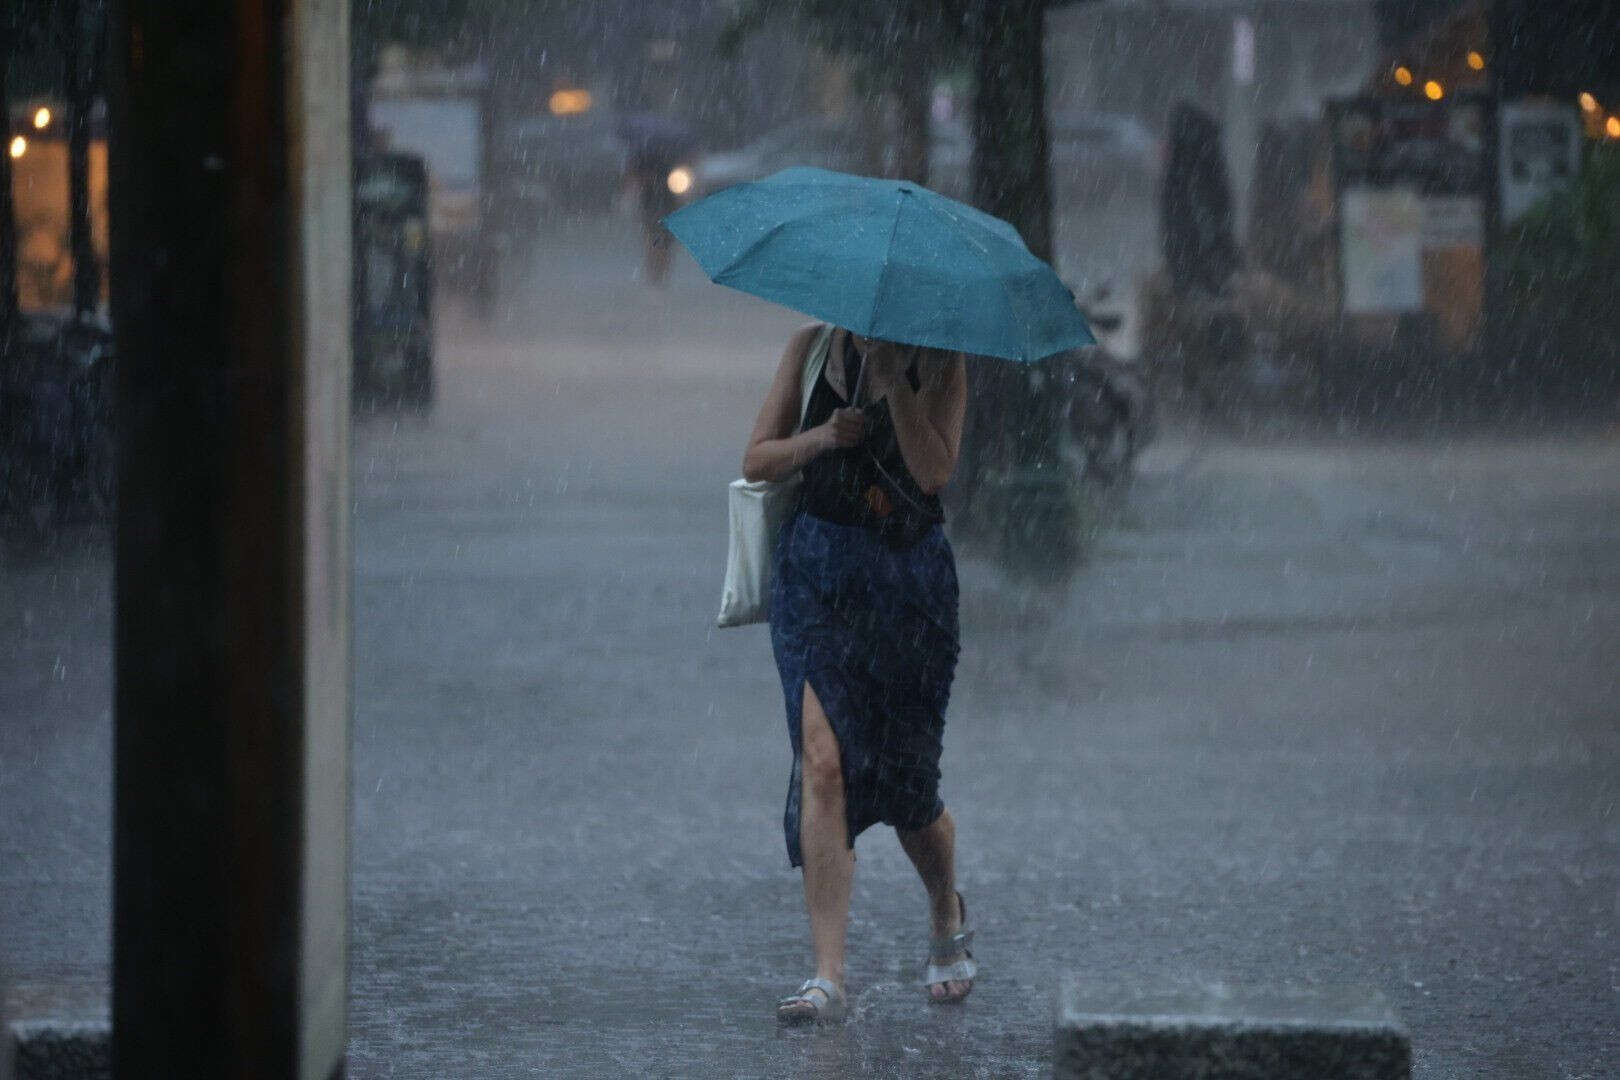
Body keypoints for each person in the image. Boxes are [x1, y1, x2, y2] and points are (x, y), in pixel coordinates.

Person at [742, 321, 972, 1024]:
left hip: (908, 591)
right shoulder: (810, 349)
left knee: (907, 791)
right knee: (823, 762)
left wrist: (891, 383)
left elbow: (934, 472)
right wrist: (820, 438)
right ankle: (827, 976)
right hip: (816, 579)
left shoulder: (941, 356)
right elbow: (757, 459)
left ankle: (943, 905)